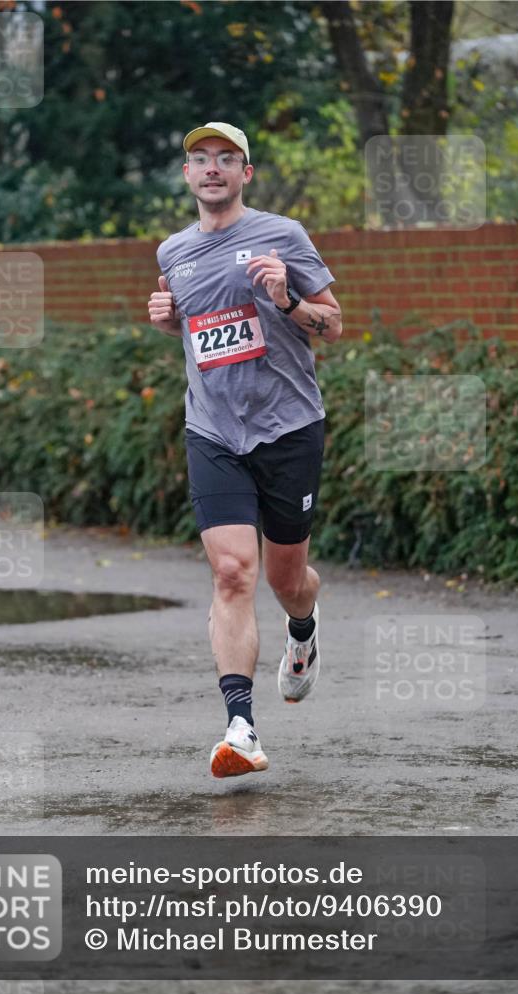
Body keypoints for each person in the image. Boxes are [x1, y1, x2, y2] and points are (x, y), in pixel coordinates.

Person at [148, 122, 342, 779]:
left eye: (225, 159)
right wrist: (170, 319)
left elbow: (332, 322)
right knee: (232, 572)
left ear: (244, 174)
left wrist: (286, 297)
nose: (212, 169)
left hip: (288, 427)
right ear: (186, 175)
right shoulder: (172, 251)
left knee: (286, 580)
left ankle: (304, 627)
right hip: (213, 430)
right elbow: (199, 327)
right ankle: (241, 727)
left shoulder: (281, 236)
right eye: (199, 159)